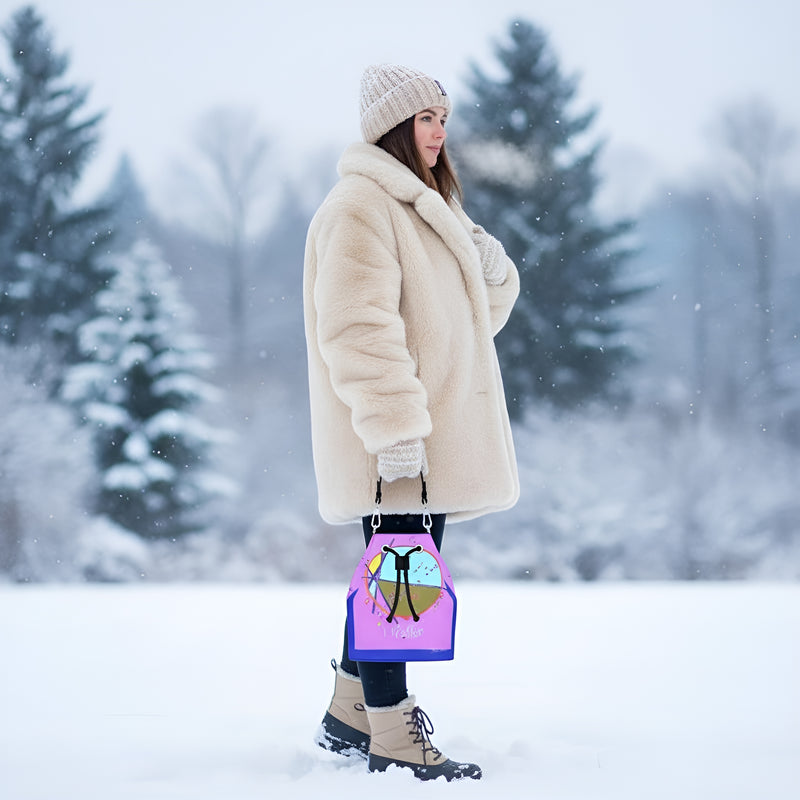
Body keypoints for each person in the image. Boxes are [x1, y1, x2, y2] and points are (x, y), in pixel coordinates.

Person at [302, 63, 520, 781]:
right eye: (425, 118)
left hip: (428, 439)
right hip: (396, 440)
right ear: (393, 127)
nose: (439, 132)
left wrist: (483, 262)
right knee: (400, 582)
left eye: (443, 117)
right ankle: (395, 736)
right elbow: (356, 329)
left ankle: (348, 712)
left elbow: (472, 325)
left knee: (390, 576)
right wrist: (395, 431)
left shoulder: (424, 207)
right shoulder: (361, 207)